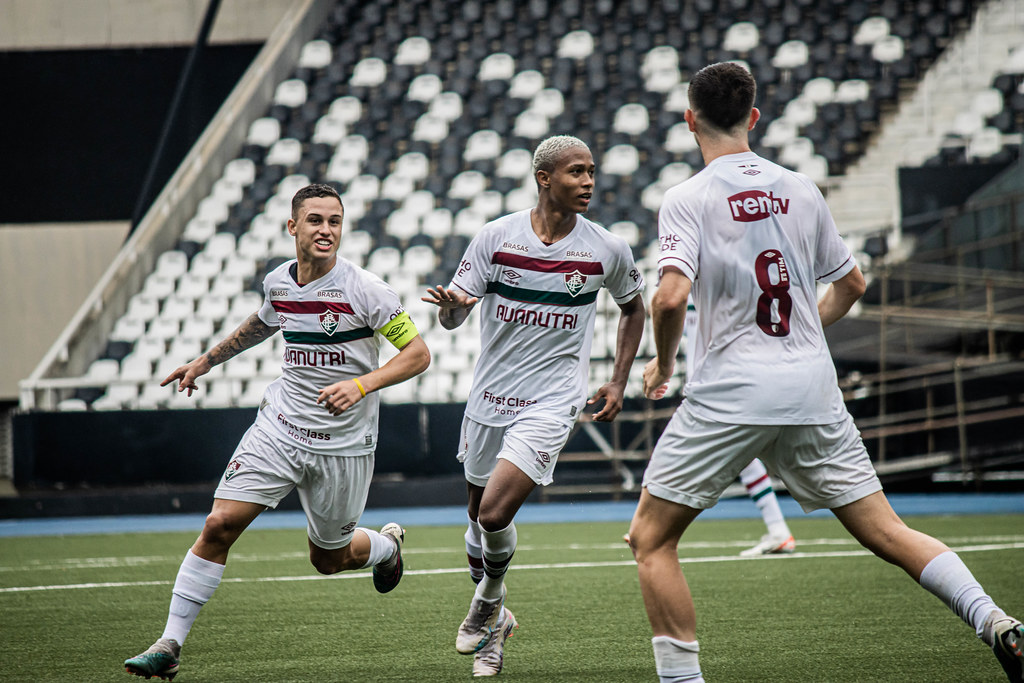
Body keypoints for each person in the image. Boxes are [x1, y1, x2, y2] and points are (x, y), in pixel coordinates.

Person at [626, 62, 1022, 683]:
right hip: (811, 386)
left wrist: (665, 361)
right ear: (754, 118)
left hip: (731, 391)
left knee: (651, 540)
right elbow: (853, 282)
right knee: (888, 531)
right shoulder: (802, 189)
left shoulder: (688, 197)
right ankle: (996, 620)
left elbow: (669, 297)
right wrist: (800, 337)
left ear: (689, 120)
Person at [124, 183, 431, 680]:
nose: (325, 230)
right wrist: (205, 361)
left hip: (343, 445)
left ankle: (388, 547)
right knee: (218, 525)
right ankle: (170, 645)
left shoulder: (368, 292)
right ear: (293, 226)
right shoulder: (279, 282)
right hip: (280, 427)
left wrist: (361, 383)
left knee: (328, 560)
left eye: (334, 220)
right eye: (314, 220)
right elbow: (263, 322)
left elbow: (418, 355)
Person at [422, 135, 646, 677]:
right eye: (576, 172)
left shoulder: (606, 249)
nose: (589, 181)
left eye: (592, 171)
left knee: (496, 513)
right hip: (489, 398)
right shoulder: (496, 238)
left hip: (552, 399)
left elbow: (634, 309)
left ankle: (488, 603)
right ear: (545, 178)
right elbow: (454, 315)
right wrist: (452, 311)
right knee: (477, 522)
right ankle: (499, 623)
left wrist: (617, 381)